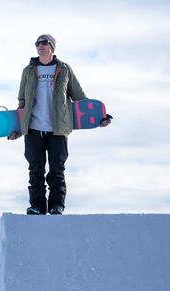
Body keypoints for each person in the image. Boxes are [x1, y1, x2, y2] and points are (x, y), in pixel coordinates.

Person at [8, 34, 111, 215]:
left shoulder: (64, 69)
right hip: (33, 129)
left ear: (52, 47)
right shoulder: (28, 70)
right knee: (35, 170)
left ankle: (57, 205)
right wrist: (18, 128)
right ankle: (37, 206)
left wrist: (98, 117)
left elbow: (80, 98)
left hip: (58, 128)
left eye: (43, 43)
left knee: (57, 170)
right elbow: (22, 102)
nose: (39, 46)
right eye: (37, 43)